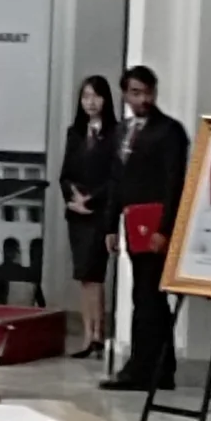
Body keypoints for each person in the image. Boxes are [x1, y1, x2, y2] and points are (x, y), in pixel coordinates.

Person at [102, 65, 191, 392]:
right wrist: (110, 224)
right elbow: (115, 180)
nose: (143, 99)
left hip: (155, 222)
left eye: (148, 92)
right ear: (125, 94)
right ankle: (157, 366)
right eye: (136, 92)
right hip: (132, 220)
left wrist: (165, 228)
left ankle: (145, 366)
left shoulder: (169, 131)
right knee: (144, 294)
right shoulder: (122, 131)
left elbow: (173, 182)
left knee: (149, 297)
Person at [60, 76, 119, 359]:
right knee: (83, 275)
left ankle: (99, 333)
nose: (90, 102)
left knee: (95, 275)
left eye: (95, 96)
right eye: (85, 97)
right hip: (77, 214)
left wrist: (91, 200)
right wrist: (73, 198)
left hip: (100, 213)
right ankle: (88, 334)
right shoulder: (75, 133)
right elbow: (65, 174)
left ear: (106, 99)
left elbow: (114, 177)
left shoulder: (115, 133)